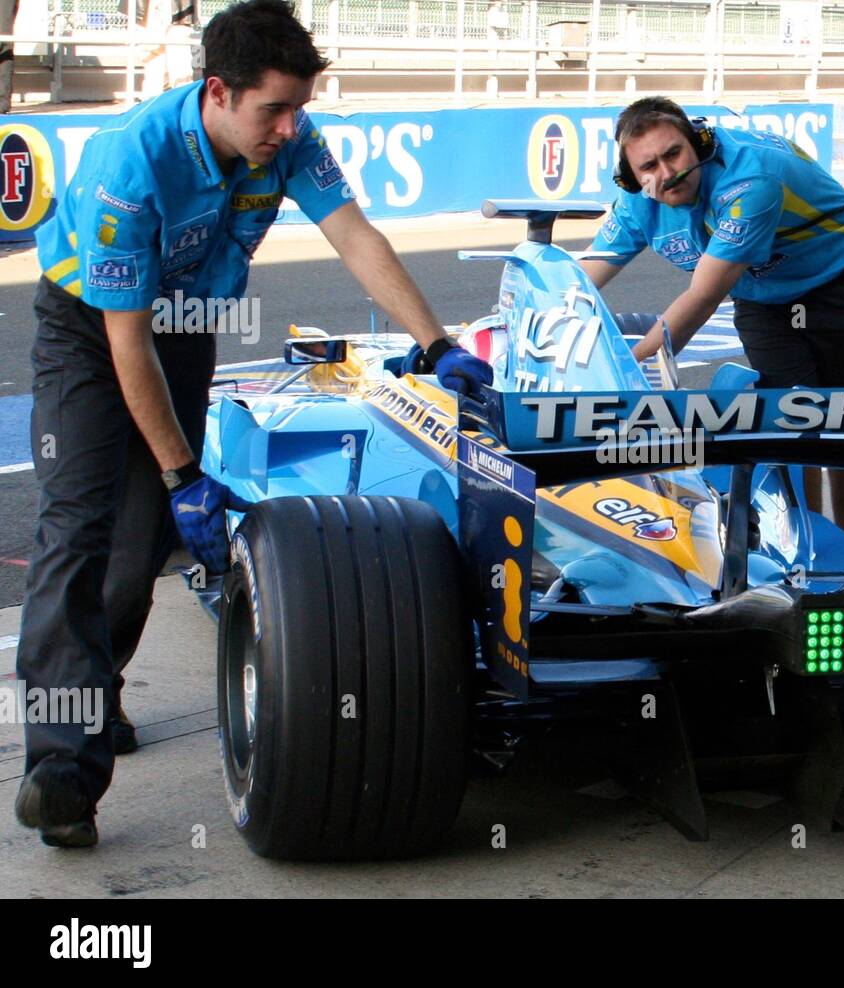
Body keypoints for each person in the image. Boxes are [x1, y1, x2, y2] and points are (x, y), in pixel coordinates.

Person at [14, 0, 491, 849]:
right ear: (218, 93)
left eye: (300, 105)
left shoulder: (292, 141)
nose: (291, 125)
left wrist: (437, 342)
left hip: (188, 322)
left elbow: (355, 238)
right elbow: (128, 345)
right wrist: (180, 473)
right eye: (274, 108)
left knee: (140, 544)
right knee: (75, 530)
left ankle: (98, 687)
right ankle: (61, 769)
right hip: (93, 329)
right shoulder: (132, 166)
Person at [580, 96, 844, 531]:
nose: (666, 174)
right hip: (761, 293)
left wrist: (628, 368)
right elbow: (580, 281)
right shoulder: (636, 198)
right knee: (792, 416)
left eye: (674, 154)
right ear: (630, 176)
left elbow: (703, 296)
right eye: (648, 167)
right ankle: (811, 547)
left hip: (838, 278)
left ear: (700, 145)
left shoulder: (750, 180)